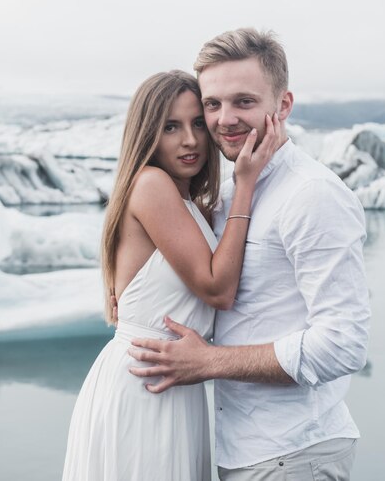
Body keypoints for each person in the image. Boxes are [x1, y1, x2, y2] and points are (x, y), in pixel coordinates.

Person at [127, 28, 371, 481]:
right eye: (213, 104)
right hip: (239, 451)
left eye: (244, 101)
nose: (224, 119)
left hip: (296, 453)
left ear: (283, 106)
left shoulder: (312, 195)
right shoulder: (229, 193)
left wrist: (209, 362)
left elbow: (343, 344)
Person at [62, 69, 280, 481]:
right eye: (171, 127)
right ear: (147, 133)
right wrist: (246, 184)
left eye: (198, 123)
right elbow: (218, 288)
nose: (191, 140)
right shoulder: (151, 184)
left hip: (174, 382)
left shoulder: (185, 199)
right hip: (145, 385)